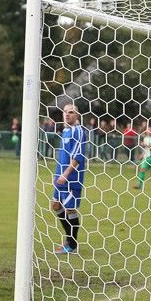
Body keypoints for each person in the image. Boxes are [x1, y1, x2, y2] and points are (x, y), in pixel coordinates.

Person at [52, 104, 86, 254]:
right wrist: (58, 174)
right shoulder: (66, 131)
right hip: (60, 177)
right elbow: (64, 155)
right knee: (56, 205)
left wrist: (65, 174)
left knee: (70, 209)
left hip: (71, 178)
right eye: (65, 112)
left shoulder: (78, 131)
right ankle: (69, 240)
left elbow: (78, 157)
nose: (67, 114)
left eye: (71, 112)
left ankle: (72, 244)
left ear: (77, 115)